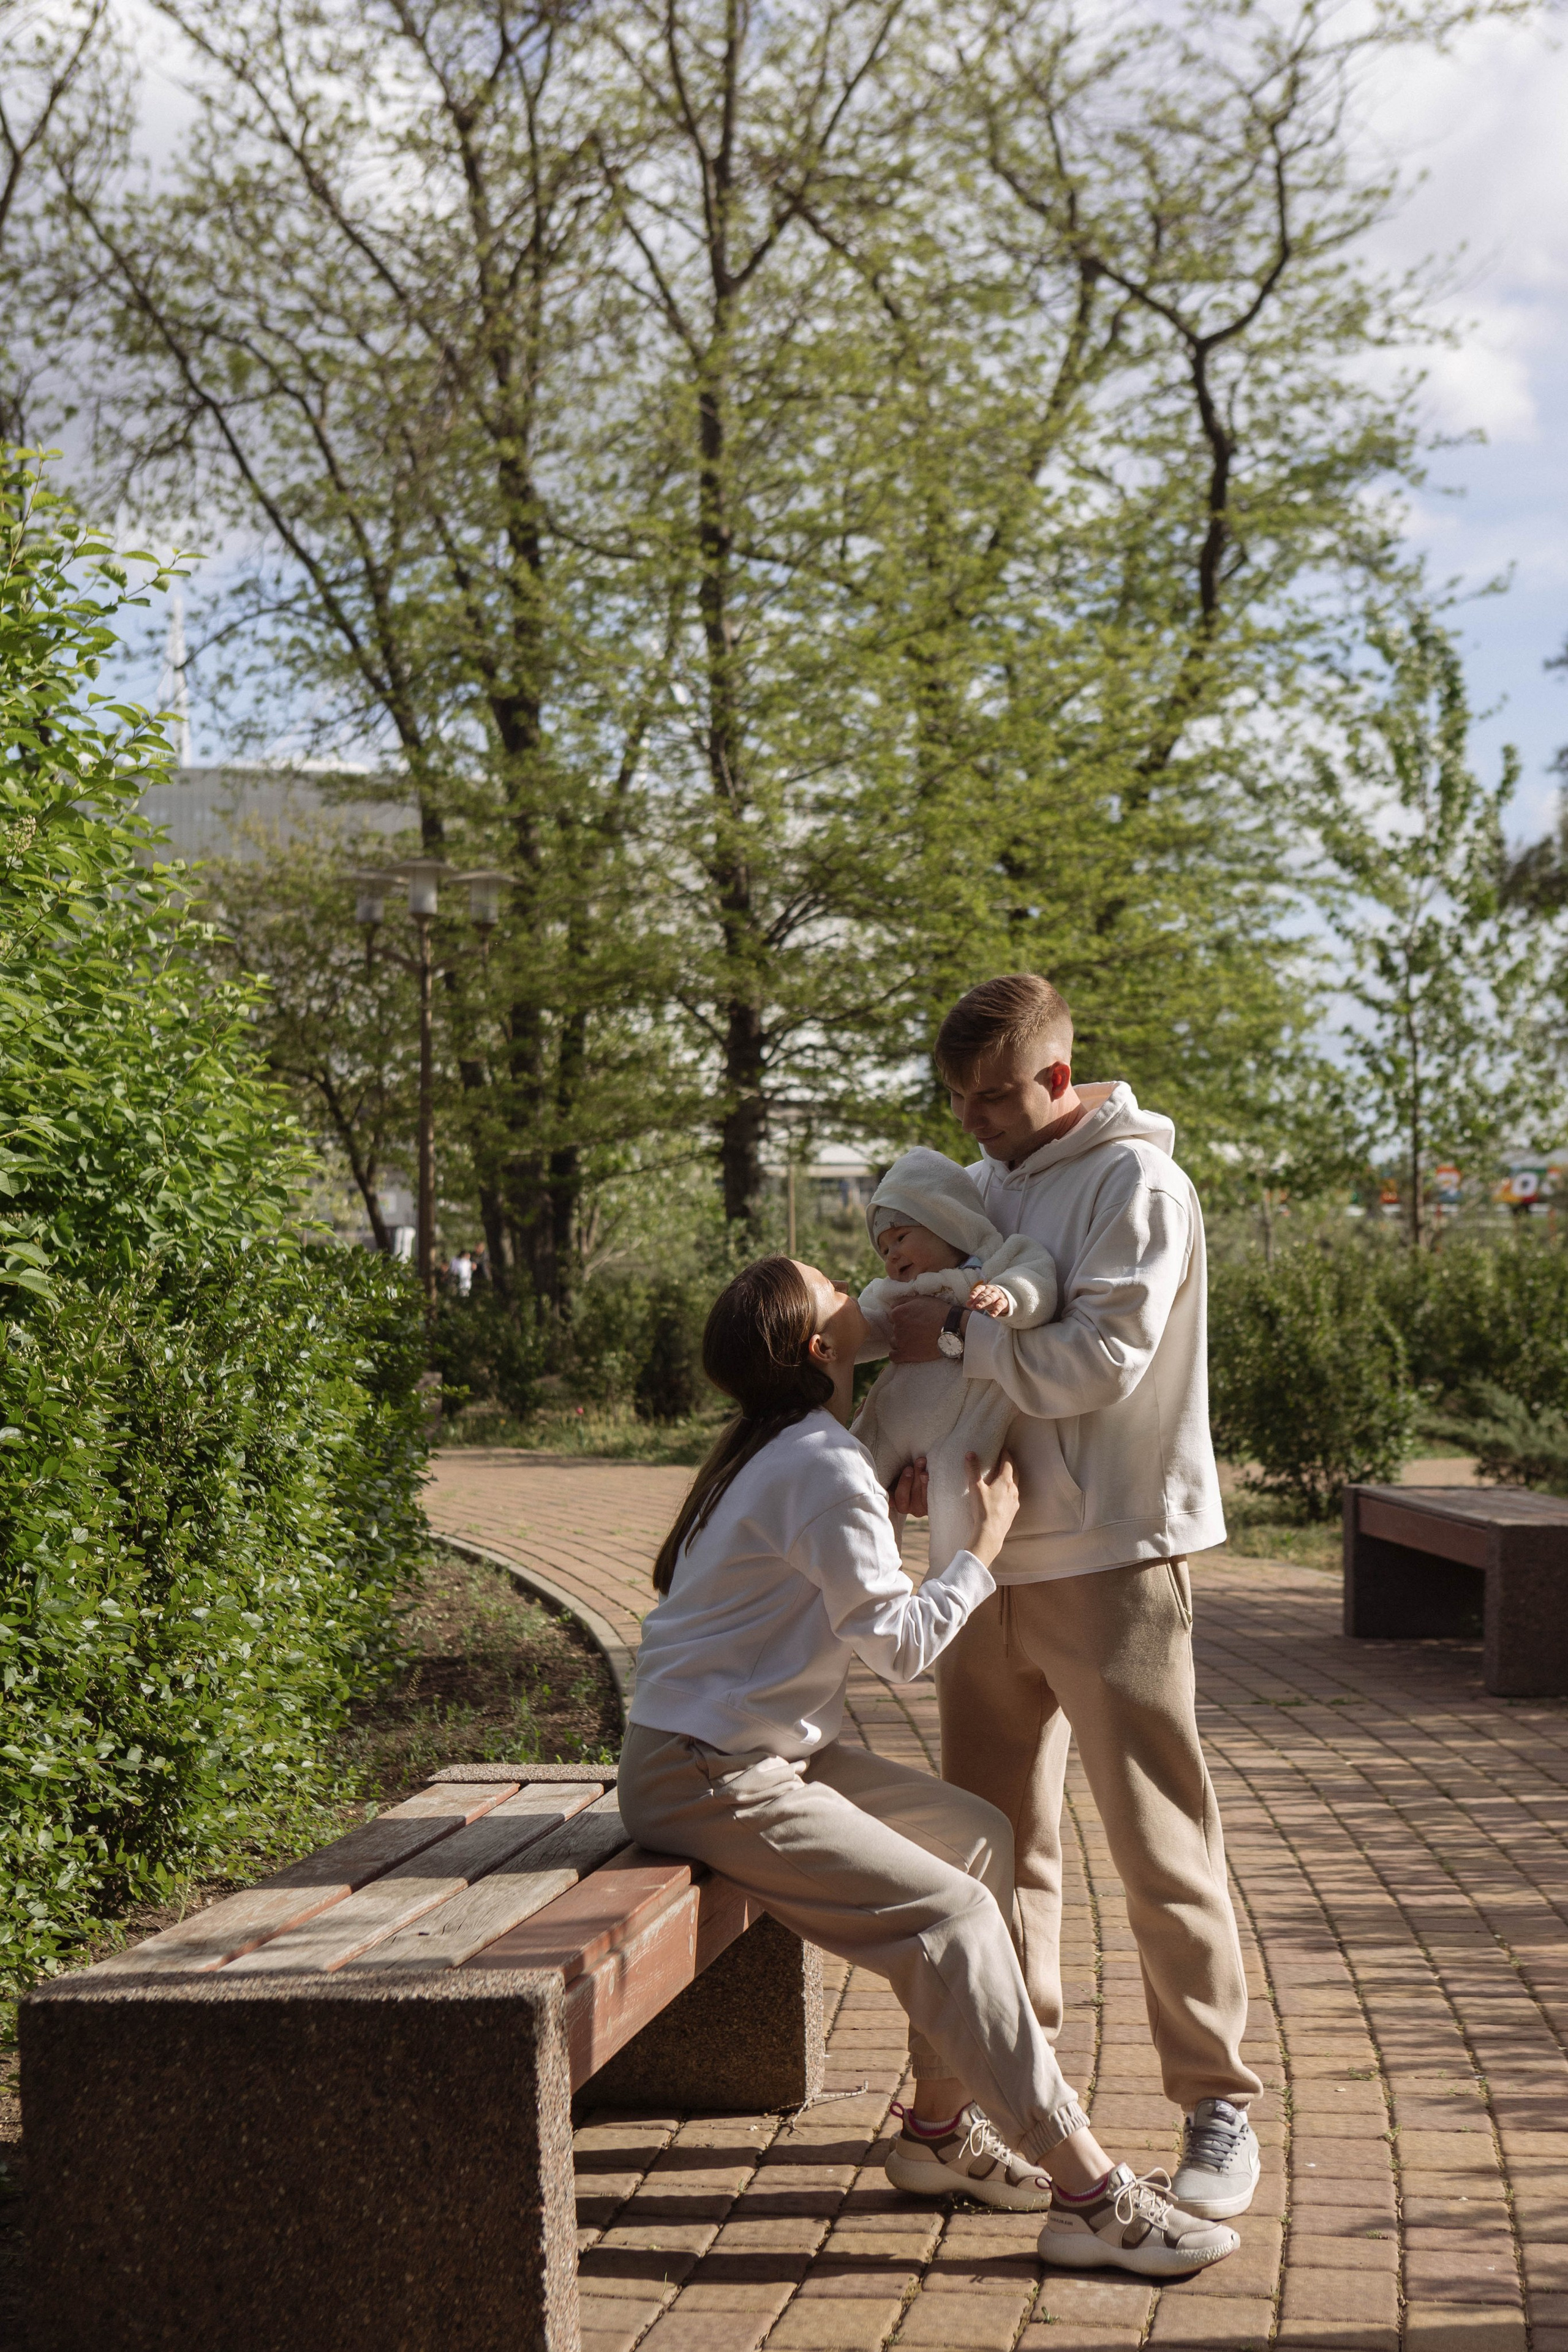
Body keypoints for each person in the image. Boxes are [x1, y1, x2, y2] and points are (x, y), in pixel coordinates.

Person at [619, 1253, 1240, 2276]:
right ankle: (1088, 2191)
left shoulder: (783, 1450)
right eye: (834, 1289)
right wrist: (978, 1551)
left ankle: (939, 2133)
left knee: (981, 1839)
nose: (859, 1288)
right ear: (823, 1347)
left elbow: (829, 1568)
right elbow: (905, 1652)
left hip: (763, 1754)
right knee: (949, 1915)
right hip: (708, 1771)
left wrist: (896, 1518)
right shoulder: (814, 1463)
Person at [885, 973, 1264, 2221]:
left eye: (993, 1096)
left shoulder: (1136, 1185)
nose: (975, 1120)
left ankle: (1214, 2105)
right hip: (982, 1567)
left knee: (1160, 1843)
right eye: (958, 1099)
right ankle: (992, 2101)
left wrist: (951, 1339)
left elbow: (1095, 1362)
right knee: (983, 1853)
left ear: (1058, 1075)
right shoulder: (981, 1182)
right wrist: (914, 1455)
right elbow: (966, 1360)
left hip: (1110, 1562)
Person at [853, 1145, 1059, 1577]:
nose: (890, 1256)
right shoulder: (890, 1293)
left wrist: (1008, 1297)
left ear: (947, 1223)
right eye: (884, 1248)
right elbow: (862, 1328)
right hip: (894, 1415)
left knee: (958, 1490)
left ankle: (946, 1585)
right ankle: (866, 1580)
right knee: (855, 1474)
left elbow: (1037, 1278)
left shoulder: (997, 1266)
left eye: (901, 1237)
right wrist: (829, 1334)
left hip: (965, 1421)